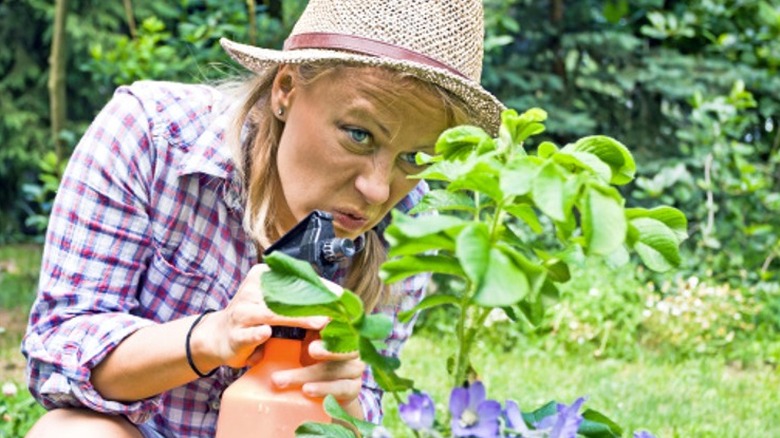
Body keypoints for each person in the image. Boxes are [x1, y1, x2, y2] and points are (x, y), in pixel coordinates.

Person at [22, 0, 504, 436]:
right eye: (359, 135)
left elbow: (362, 417)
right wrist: (210, 336)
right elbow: (57, 354)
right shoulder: (151, 137)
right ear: (286, 88)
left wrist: (347, 398)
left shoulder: (409, 227)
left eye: (414, 159)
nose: (379, 190)